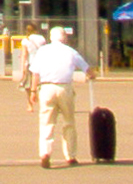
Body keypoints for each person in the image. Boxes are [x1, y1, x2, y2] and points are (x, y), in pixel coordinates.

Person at [25, 27, 89, 169]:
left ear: (51, 37)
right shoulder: (70, 51)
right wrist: (91, 74)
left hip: (46, 88)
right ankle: (71, 156)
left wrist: (33, 92)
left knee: (46, 123)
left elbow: (35, 73)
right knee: (69, 122)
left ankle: (45, 153)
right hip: (64, 88)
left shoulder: (43, 51)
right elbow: (86, 67)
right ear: (64, 38)